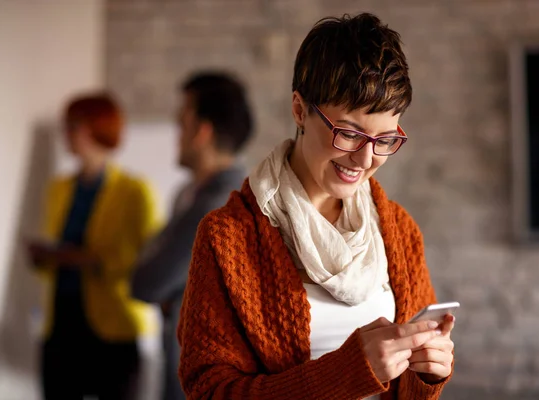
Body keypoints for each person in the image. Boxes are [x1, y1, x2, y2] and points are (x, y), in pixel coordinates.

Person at [177, 12, 455, 400]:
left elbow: (405, 391)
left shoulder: (399, 231)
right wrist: (347, 373)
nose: (364, 160)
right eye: (348, 134)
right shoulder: (228, 239)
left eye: (385, 140)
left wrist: (426, 375)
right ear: (299, 109)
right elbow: (208, 392)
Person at [27, 93, 161, 400]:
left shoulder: (134, 192)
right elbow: (57, 246)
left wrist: (90, 260)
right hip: (61, 324)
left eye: (73, 125)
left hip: (113, 328)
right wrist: (45, 257)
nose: (66, 134)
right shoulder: (59, 188)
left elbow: (150, 259)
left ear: (96, 128)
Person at [131, 72, 252, 400]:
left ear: (202, 131)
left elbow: (145, 281)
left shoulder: (218, 206)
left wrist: (170, 290)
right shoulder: (193, 194)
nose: (176, 134)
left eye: (181, 122)